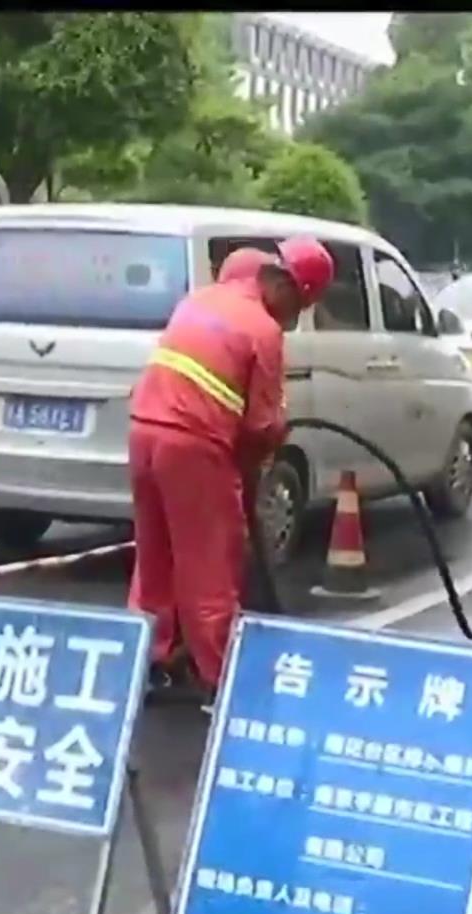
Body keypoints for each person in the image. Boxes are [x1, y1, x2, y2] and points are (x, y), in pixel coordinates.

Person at [128, 237, 334, 706]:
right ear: (285, 286)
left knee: (155, 556)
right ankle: (220, 680)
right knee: (210, 563)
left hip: (143, 431)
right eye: (299, 305)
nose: (294, 317)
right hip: (193, 444)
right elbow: (260, 427)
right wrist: (269, 445)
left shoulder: (200, 299)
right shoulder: (262, 330)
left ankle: (148, 658)